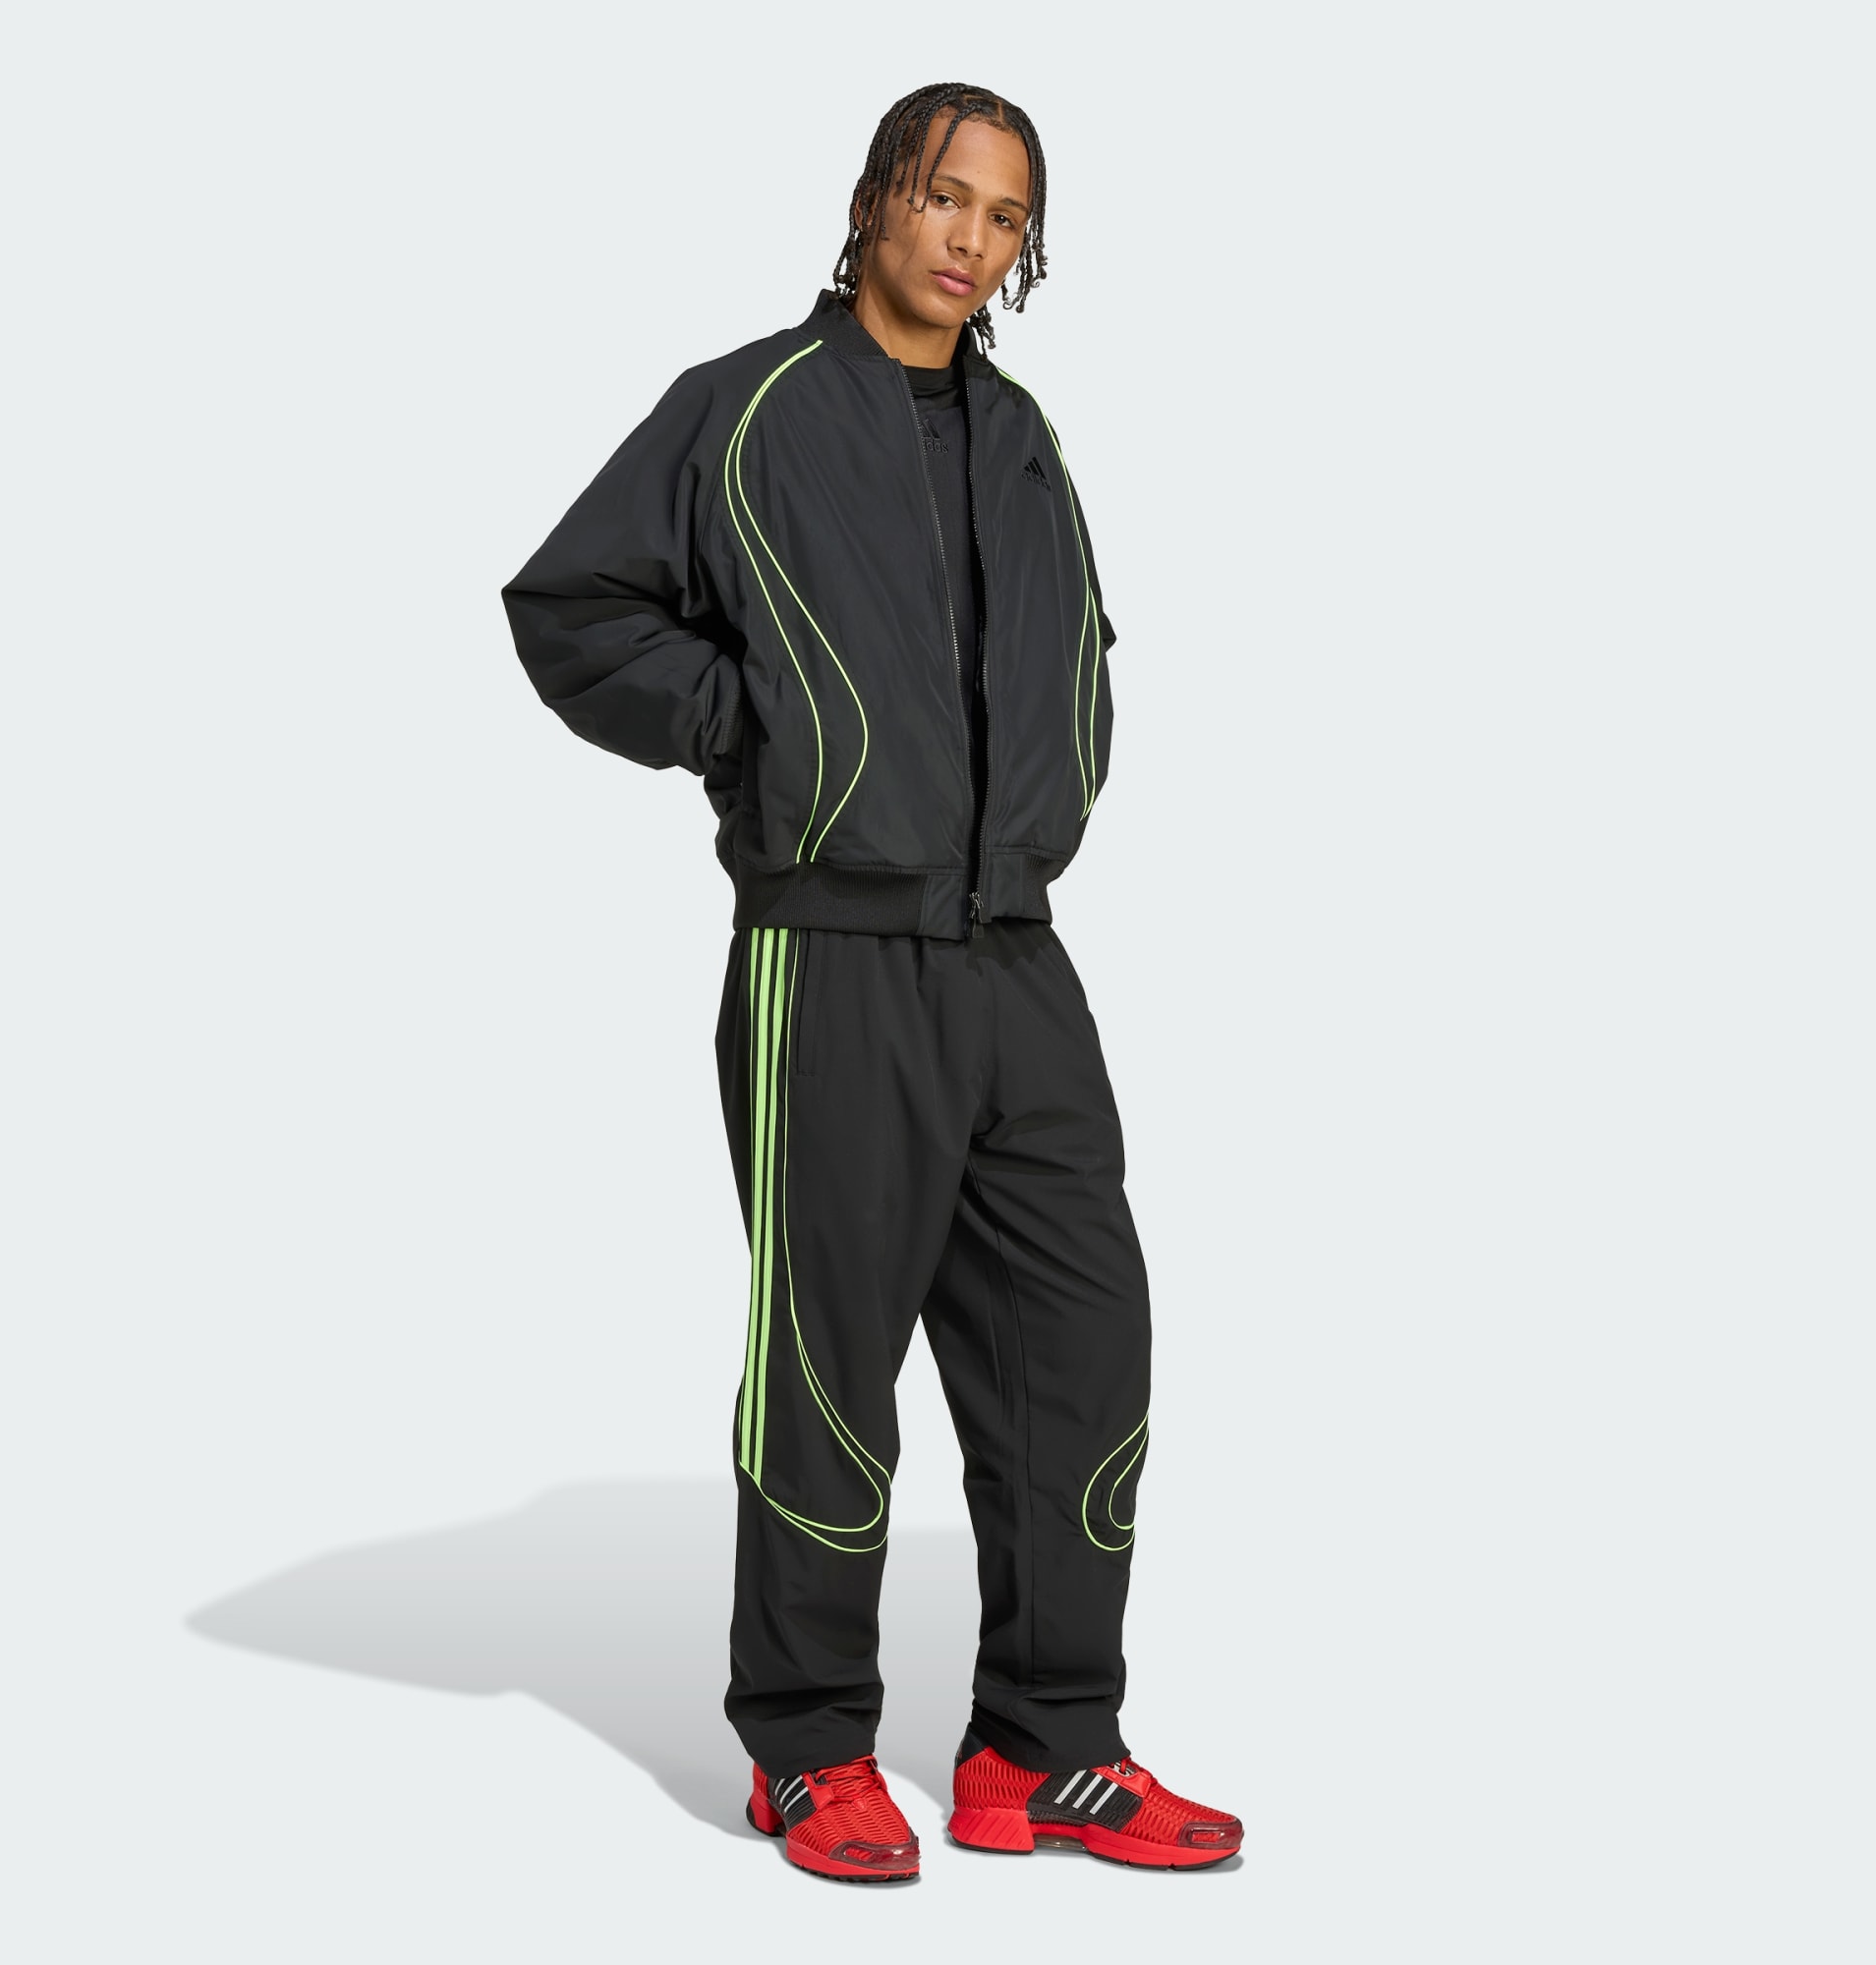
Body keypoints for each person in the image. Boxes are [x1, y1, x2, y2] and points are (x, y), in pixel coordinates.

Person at [502, 82, 1243, 1883]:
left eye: (1005, 215)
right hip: (829, 954)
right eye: (944, 196)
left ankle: (1046, 1752)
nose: (969, 238)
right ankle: (809, 1744)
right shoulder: (747, 407)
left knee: (1084, 1349)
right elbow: (571, 608)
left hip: (1015, 955)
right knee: (827, 1358)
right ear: (875, 201)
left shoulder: (1021, 434)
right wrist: (751, 726)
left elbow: (1063, 654)